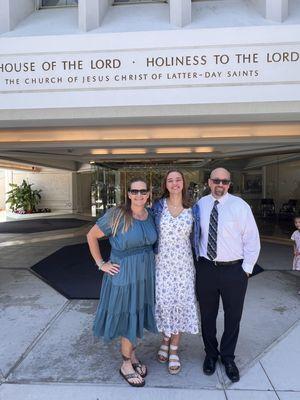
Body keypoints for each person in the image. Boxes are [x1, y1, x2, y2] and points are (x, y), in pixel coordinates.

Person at [86, 178, 157, 387]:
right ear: (128, 194)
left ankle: (133, 356)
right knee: (128, 316)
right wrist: (101, 263)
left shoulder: (150, 215)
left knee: (138, 314)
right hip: (124, 274)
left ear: (148, 194)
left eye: (143, 191)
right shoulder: (117, 215)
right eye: (134, 191)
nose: (139, 195)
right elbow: (91, 236)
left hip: (145, 273)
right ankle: (126, 364)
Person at [196, 167, 260, 382]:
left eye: (225, 181)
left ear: (229, 184)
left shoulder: (240, 206)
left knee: (233, 316)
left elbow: (252, 239)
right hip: (206, 268)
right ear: (209, 182)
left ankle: (228, 357)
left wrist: (246, 270)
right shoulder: (200, 205)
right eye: (216, 180)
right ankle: (211, 354)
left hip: (234, 270)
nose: (220, 184)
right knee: (207, 316)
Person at [151, 170, 200, 374]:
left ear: (183, 183)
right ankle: (165, 337)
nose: (174, 183)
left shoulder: (193, 209)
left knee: (180, 302)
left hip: (184, 264)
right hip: (162, 262)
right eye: (170, 180)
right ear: (165, 184)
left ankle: (173, 349)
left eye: (178, 179)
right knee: (164, 302)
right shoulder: (158, 206)